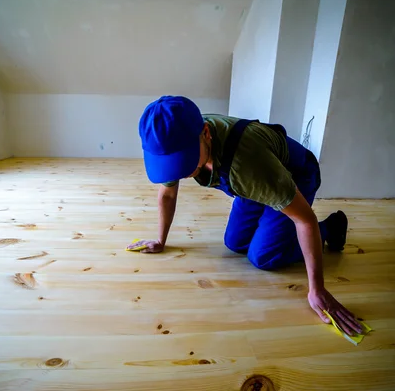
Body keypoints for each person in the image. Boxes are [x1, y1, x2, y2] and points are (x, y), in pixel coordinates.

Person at [127, 95, 362, 336]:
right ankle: (270, 217)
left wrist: (317, 289)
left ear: (206, 133)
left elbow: (304, 219)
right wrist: (160, 240)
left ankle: (332, 227)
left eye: (182, 162)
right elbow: (167, 195)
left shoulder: (247, 165)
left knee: (263, 256)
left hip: (294, 176)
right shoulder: (177, 135)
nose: (178, 172)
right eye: (170, 163)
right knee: (234, 243)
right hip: (255, 183)